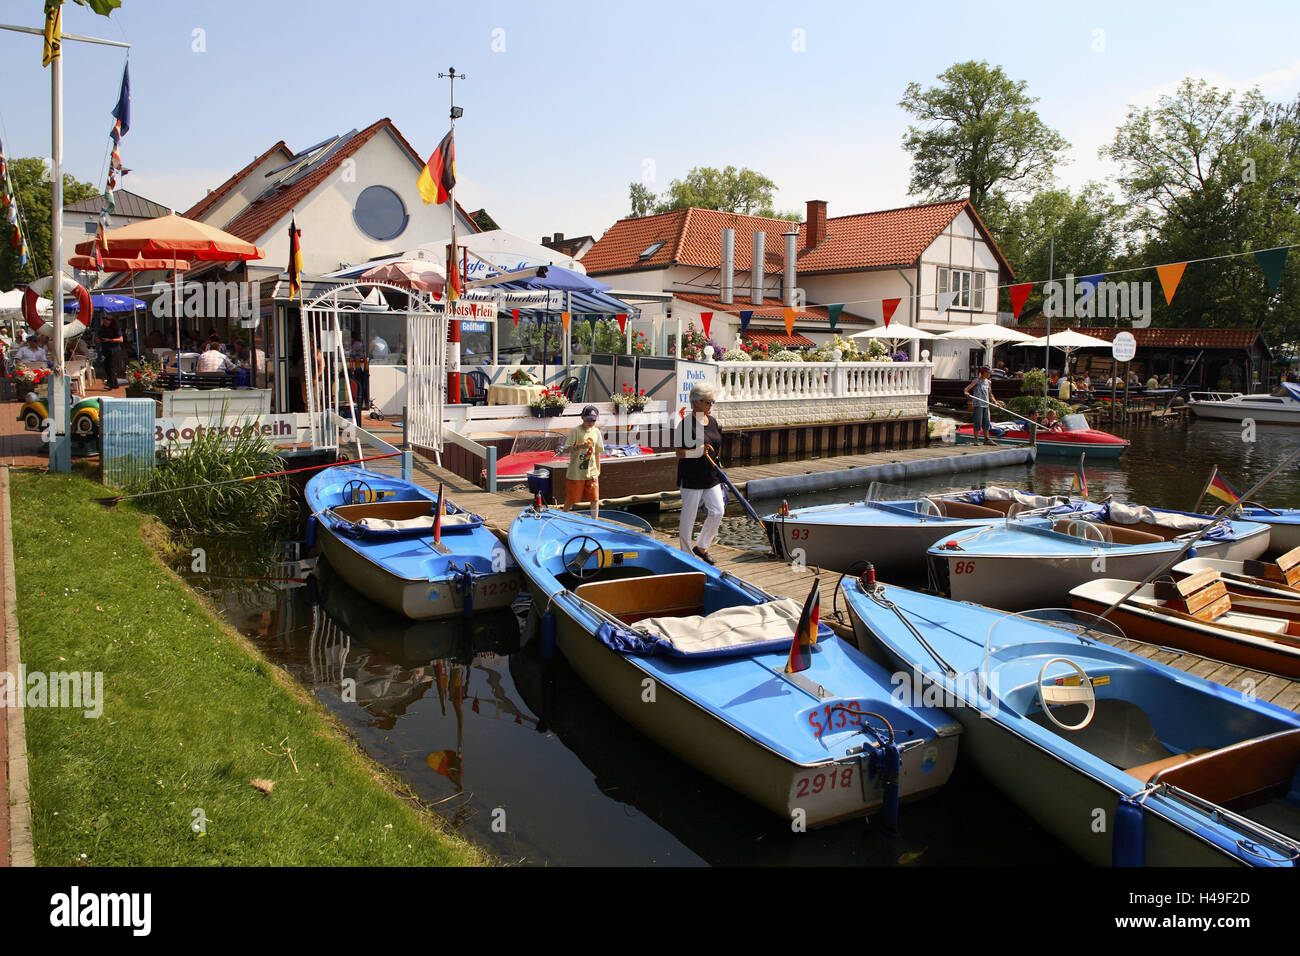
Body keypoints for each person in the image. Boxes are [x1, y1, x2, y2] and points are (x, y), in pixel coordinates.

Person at [675, 383, 724, 564]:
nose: (711, 405)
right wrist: (697, 451)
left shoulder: (713, 422)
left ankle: (701, 546)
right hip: (692, 477)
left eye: (712, 402)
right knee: (689, 517)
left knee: (718, 511)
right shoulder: (686, 425)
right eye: (707, 402)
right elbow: (679, 453)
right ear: (696, 402)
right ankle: (686, 554)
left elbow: (717, 445)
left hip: (711, 475)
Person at [562, 405, 604, 518]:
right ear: (582, 417)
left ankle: (595, 521)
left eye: (593, 420)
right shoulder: (576, 431)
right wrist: (579, 446)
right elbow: (566, 449)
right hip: (576, 473)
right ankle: (562, 516)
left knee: (594, 499)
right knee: (571, 499)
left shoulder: (596, 432)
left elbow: (597, 452)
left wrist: (598, 469)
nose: (591, 423)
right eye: (588, 419)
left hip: (592, 472)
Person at [964, 366, 996, 445]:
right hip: (978, 404)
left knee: (986, 422)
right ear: (984, 373)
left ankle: (986, 439)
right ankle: (976, 440)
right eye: (988, 373)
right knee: (978, 422)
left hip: (986, 404)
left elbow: (990, 393)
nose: (989, 374)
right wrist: (966, 393)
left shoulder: (988, 382)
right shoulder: (977, 380)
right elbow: (966, 389)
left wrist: (994, 400)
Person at [99, 315, 124, 389]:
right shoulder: (102, 329)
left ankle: (113, 383)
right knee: (106, 366)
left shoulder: (116, 329)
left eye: (106, 322)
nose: (105, 323)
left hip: (114, 350)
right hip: (105, 350)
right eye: (104, 322)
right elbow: (98, 336)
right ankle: (110, 382)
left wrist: (109, 340)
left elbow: (121, 339)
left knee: (111, 367)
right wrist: (99, 339)